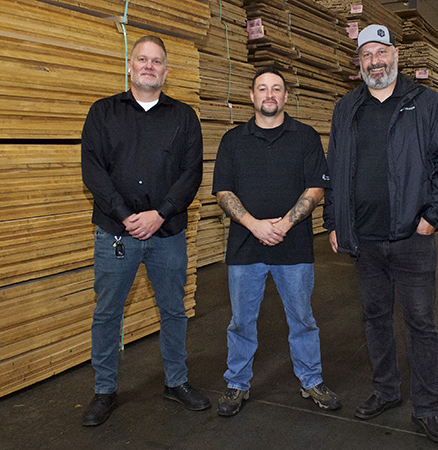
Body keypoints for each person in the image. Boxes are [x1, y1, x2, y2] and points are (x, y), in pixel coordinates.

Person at [322, 24, 438, 444]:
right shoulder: (347, 107)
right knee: (376, 318)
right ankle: (385, 390)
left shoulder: (423, 101)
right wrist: (334, 221)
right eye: (366, 55)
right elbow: (334, 170)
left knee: (420, 322)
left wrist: (433, 216)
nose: (374, 61)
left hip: (411, 237)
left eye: (381, 52)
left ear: (395, 55)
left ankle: (427, 407)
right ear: (358, 63)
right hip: (364, 238)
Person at [80, 35, 208, 426]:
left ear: (166, 71)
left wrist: (160, 214)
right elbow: (93, 171)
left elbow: (192, 174)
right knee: (107, 313)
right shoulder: (102, 113)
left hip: (167, 234)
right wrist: (124, 215)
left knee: (173, 310)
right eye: (143, 59)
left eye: (157, 61)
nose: (149, 66)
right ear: (130, 67)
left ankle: (176, 381)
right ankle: (104, 391)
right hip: (116, 233)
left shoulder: (184, 117)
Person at [211, 67, 340, 417]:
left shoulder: (306, 137)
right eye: (262, 88)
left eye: (277, 89)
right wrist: (255, 225)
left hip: (294, 246)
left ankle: (310, 378)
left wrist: (283, 225)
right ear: (251, 96)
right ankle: (237, 383)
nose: (270, 94)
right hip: (244, 247)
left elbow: (316, 188)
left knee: (302, 319)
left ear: (286, 97)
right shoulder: (232, 140)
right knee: (240, 322)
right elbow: (223, 192)